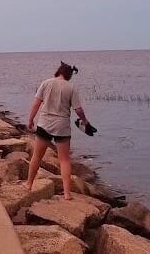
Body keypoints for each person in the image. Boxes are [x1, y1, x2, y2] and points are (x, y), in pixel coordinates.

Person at [24, 61, 90, 200]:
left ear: (58, 71)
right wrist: (85, 121)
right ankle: (67, 193)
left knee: (37, 155)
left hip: (44, 124)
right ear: (69, 75)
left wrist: (30, 120)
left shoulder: (46, 83)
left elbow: (36, 104)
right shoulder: (71, 87)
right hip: (62, 126)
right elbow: (78, 110)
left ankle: (29, 184)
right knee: (64, 160)